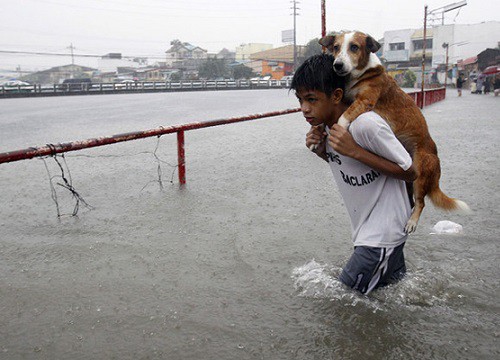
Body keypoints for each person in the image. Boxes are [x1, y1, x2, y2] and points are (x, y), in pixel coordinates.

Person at [290, 54, 416, 295]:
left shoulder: (366, 125)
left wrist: (355, 151)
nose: (304, 108)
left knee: (343, 304)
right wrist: (322, 152)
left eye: (311, 99)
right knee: (392, 300)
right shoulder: (329, 126)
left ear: (336, 95)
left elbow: (410, 171)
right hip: (373, 233)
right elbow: (351, 167)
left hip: (380, 236)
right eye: (300, 100)